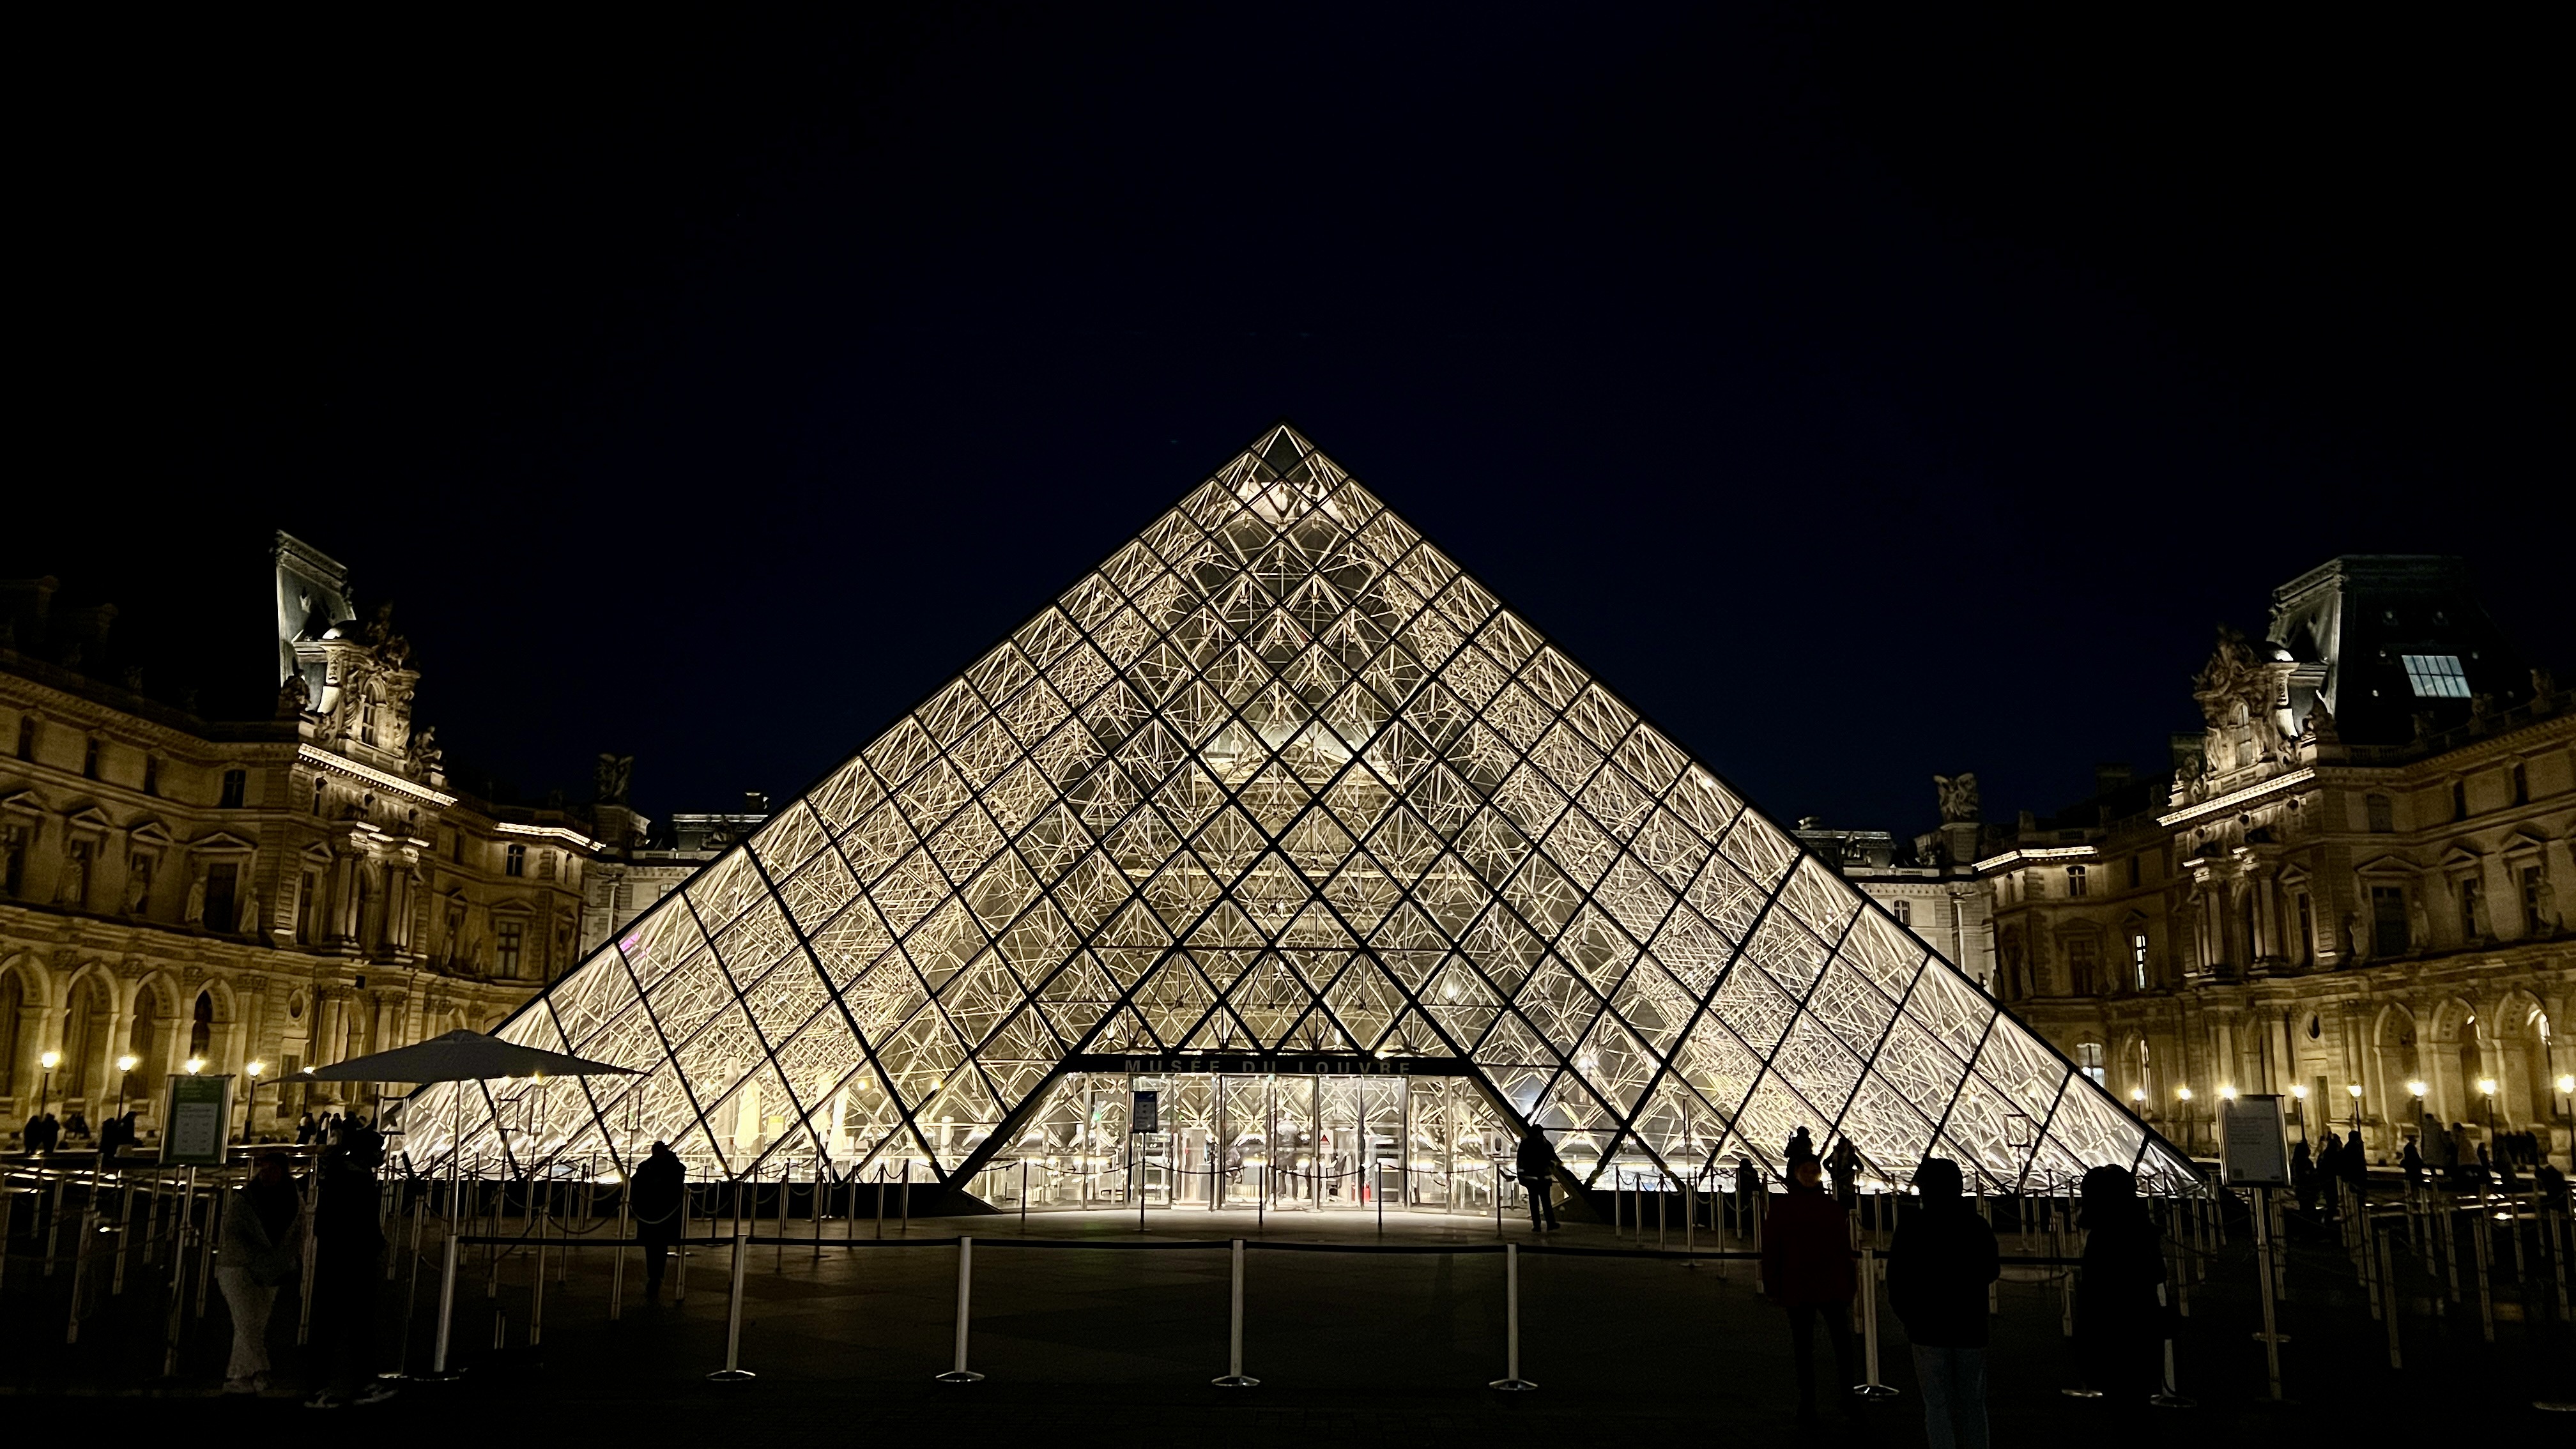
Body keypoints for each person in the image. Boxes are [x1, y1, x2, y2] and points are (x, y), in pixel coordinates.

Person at [1889, 1158, 1998, 1449]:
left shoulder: (1912, 1227)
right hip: (1970, 1326)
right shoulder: (1976, 1225)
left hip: (1926, 1328)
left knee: (1936, 1405)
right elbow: (1991, 1270)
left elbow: (1897, 1279)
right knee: (1973, 1404)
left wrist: (1909, 1318)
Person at [1761, 1157, 1857, 1422]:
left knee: (1814, 1346)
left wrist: (1772, 1283)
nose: (1810, 1174)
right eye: (1806, 1170)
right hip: (1816, 1285)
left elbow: (1842, 1249)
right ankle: (1825, 1398)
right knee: (1824, 1345)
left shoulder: (1788, 1208)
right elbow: (1772, 1248)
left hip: (1809, 1284)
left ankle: (1816, 1401)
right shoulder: (1829, 1207)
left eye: (1814, 1171)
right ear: (1795, 1173)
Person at [303, 1144, 394, 1408]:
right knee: (359, 1326)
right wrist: (374, 1246)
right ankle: (363, 1384)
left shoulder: (335, 1178)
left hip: (333, 1261)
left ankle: (319, 1387)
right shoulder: (359, 1182)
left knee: (328, 1326)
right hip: (355, 1262)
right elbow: (366, 1223)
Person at [2073, 1164, 2166, 1401]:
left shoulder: (2102, 1237)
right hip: (2143, 1324)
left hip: (2110, 1331)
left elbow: (2094, 1289)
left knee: (2120, 1400)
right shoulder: (2142, 1229)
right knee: (2137, 1399)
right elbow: (2158, 1273)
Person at [217, 1151, 305, 1394]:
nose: (265, 1174)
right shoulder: (289, 1201)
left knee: (250, 1325)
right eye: (263, 1169)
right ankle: (250, 1373)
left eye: (271, 1169)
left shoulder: (250, 1199)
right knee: (248, 1323)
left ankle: (246, 1376)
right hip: (245, 1267)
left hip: (258, 1267)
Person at [630, 1140, 687, 1303]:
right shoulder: (666, 1166)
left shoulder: (655, 1166)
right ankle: (655, 1276)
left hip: (658, 1213)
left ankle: (655, 1276)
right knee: (655, 1247)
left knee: (657, 1247)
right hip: (656, 1213)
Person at [1514, 1128, 1560, 1232]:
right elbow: (1553, 1157)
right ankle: (1550, 1223)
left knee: (1534, 1202)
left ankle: (1537, 1225)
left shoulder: (1525, 1145)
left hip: (1531, 1179)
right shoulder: (1545, 1144)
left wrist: (1521, 1175)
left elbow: (1520, 1161)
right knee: (1546, 1202)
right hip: (1544, 1178)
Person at [1826, 1136, 1860, 1209]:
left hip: (1847, 1182)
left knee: (1848, 1201)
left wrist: (1852, 1172)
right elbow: (1825, 1163)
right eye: (1841, 1144)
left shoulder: (1851, 1155)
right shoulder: (1835, 1154)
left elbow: (1861, 1167)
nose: (1842, 1146)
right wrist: (1832, 1171)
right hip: (1838, 1181)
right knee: (1838, 1201)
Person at [2290, 1139, 2317, 1217]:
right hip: (2306, 1189)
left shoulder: (2299, 1162)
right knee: (2308, 1207)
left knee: (2307, 1206)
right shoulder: (2302, 1162)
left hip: (2304, 1189)